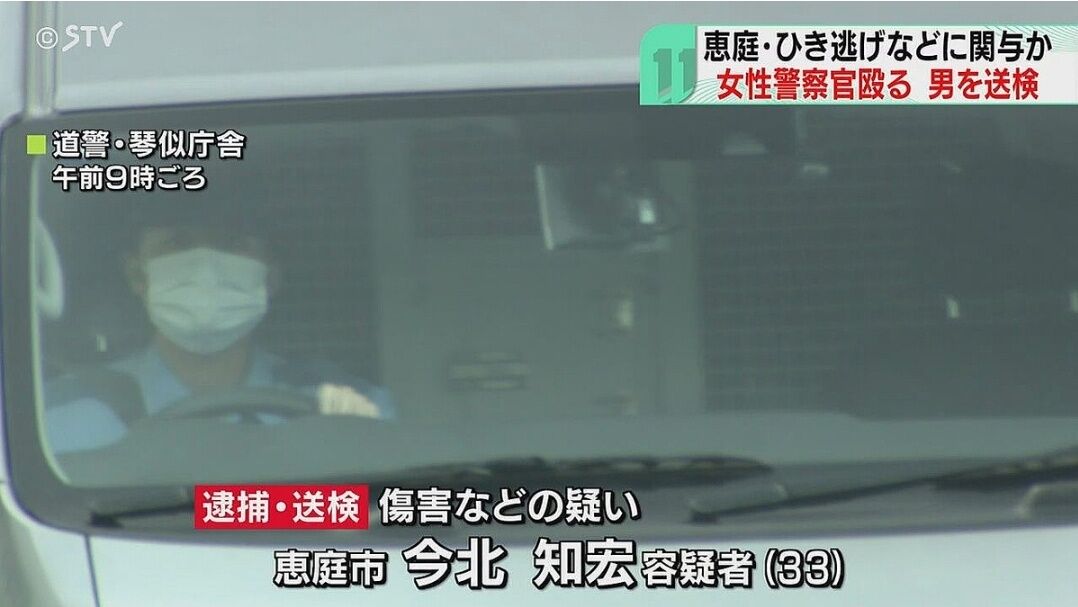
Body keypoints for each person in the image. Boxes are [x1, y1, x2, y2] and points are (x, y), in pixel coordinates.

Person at [45, 209, 394, 454]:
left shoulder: (345, 404)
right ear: (137, 274)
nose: (206, 269)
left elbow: (376, 513)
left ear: (270, 276)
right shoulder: (66, 411)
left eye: (232, 243)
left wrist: (355, 448)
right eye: (178, 243)